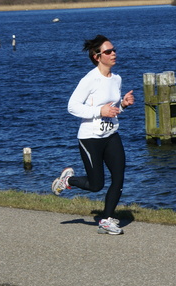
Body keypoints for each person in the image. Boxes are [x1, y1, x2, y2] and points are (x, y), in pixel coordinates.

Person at [51, 35, 134, 235]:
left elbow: (111, 108)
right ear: (97, 57)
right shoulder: (89, 80)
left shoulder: (117, 79)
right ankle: (68, 181)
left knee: (119, 177)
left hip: (111, 134)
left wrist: (122, 105)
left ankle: (106, 220)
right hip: (90, 138)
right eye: (108, 51)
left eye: (114, 50)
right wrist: (99, 112)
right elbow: (72, 107)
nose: (113, 53)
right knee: (96, 185)